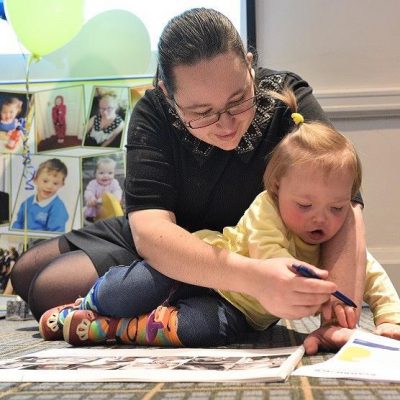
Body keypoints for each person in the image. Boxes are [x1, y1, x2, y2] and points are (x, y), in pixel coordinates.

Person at [11, 8, 367, 354]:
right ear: (168, 94)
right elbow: (151, 232)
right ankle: (167, 297)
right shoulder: (152, 111)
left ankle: (164, 306)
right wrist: (255, 278)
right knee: (28, 275)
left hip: (241, 246)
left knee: (50, 291)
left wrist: (339, 315)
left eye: (238, 100)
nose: (226, 125)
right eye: (202, 113)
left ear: (248, 62)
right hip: (163, 238)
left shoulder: (286, 98)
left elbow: (346, 202)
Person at [38, 89, 400, 349]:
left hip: (235, 309)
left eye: (337, 208)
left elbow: (373, 276)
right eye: (305, 205)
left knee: (202, 331)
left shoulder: (330, 235)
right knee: (131, 289)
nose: (322, 219)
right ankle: (87, 307)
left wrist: (388, 319)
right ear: (276, 188)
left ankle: (115, 329)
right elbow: (267, 252)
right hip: (199, 266)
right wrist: (304, 281)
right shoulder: (267, 209)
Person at [12, 158, 69, 232]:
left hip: (42, 242)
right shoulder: (27, 203)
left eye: (55, 183)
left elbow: (55, 235)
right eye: (45, 181)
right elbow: (18, 223)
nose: (49, 186)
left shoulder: (58, 208)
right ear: (35, 180)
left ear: (62, 184)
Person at [83, 157, 123, 222]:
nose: (105, 176)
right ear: (95, 174)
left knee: (116, 212)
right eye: (101, 173)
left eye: (110, 173)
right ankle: (91, 219)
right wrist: (91, 198)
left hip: (109, 208)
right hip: (95, 207)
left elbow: (117, 190)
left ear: (114, 174)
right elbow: (89, 191)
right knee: (90, 211)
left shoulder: (114, 183)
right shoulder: (93, 183)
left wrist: (116, 198)